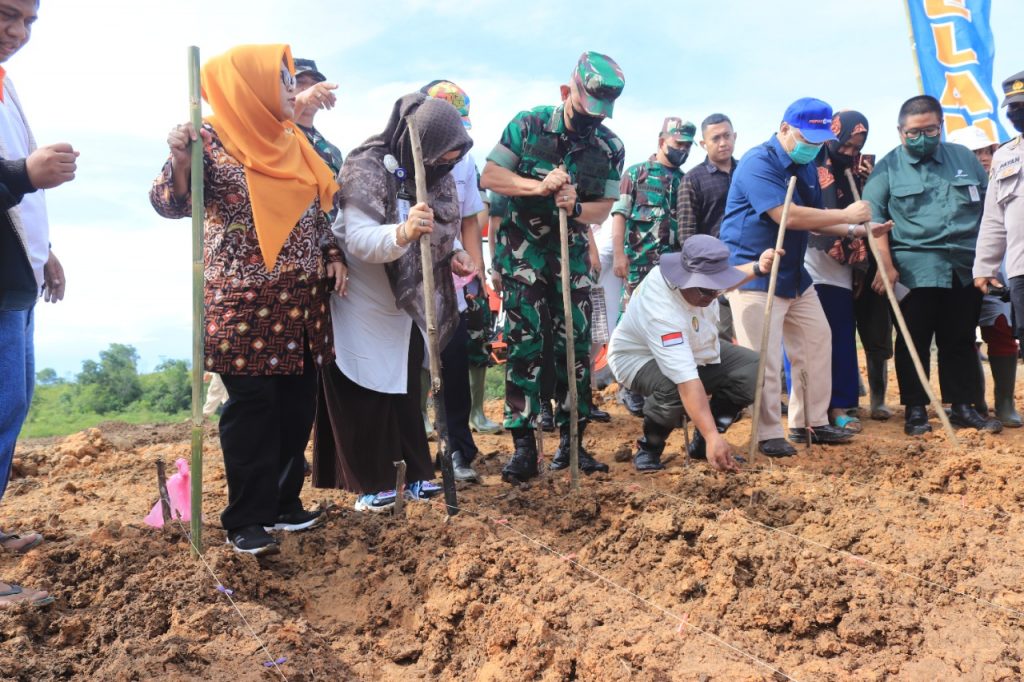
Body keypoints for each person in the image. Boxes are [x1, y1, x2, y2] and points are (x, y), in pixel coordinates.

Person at [152, 44, 341, 556]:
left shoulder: (291, 139)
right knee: (253, 409)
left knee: (296, 408)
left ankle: (284, 503)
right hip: (244, 305)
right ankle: (246, 520)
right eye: (282, 82)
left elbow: (313, 212)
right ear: (251, 85)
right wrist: (178, 158)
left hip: (302, 303)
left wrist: (332, 251)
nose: (291, 91)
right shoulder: (211, 139)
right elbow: (170, 203)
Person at [312, 93, 475, 510]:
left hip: (402, 300)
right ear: (421, 142)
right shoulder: (366, 165)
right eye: (442, 158)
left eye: (451, 161)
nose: (445, 167)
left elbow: (438, 225)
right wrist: (403, 234)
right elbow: (359, 237)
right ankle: (372, 484)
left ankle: (417, 475)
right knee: (366, 391)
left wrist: (452, 250)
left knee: (404, 395)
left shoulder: (436, 172)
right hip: (361, 300)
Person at [480, 51, 625, 484]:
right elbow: (491, 176)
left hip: (572, 256)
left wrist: (578, 205)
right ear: (568, 93)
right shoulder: (527, 125)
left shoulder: (609, 146)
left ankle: (571, 442)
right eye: (585, 111)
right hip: (523, 255)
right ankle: (524, 446)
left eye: (599, 116)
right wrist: (537, 186)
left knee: (575, 351)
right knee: (525, 345)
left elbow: (603, 207)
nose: (591, 122)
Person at [720, 97, 889, 457]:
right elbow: (788, 215)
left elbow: (818, 217)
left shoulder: (809, 164)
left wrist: (860, 230)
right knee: (761, 357)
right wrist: (846, 215)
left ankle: (809, 421)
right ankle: (767, 433)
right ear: (784, 129)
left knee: (816, 340)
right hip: (753, 274)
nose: (812, 147)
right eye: (806, 138)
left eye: (818, 141)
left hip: (795, 276)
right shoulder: (757, 162)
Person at [864, 95, 1002, 436]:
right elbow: (873, 219)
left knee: (959, 340)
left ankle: (963, 406)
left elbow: (991, 211)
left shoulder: (964, 160)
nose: (921, 137)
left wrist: (989, 261)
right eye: (913, 132)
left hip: (963, 266)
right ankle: (915, 408)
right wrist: (886, 265)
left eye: (929, 130)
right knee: (914, 341)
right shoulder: (888, 168)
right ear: (900, 132)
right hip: (914, 269)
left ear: (940, 127)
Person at [0, 0, 77, 608]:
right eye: (6, 14)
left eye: (28, 21)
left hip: (13, 272)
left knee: (12, 403)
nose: (17, 32)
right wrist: (26, 172)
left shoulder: (5, 84)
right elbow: (14, 175)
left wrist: (43, 249)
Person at [609, 236, 777, 473]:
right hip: (638, 359)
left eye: (715, 290)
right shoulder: (661, 308)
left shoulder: (702, 287)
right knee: (670, 387)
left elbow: (725, 281)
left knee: (752, 369)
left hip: (696, 350)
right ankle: (650, 448)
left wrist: (757, 268)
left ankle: (701, 445)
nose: (711, 298)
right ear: (683, 278)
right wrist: (712, 436)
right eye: (705, 292)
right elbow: (686, 380)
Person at [421, 79, 488, 481]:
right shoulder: (398, 158)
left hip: (453, 283)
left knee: (454, 363)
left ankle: (457, 449)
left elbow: (469, 219)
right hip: (407, 283)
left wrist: (475, 271)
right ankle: (412, 451)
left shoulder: (465, 161)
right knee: (413, 370)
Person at [611, 116, 693, 416]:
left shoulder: (686, 180)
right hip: (639, 264)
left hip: (673, 268)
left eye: (687, 146)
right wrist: (619, 254)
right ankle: (628, 387)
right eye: (677, 144)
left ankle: (665, 387)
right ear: (662, 141)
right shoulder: (636, 174)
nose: (682, 150)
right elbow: (620, 215)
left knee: (669, 324)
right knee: (631, 322)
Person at [805, 110, 874, 433]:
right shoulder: (808, 169)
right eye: (844, 145)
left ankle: (840, 406)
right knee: (813, 342)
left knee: (842, 340)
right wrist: (846, 219)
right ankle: (812, 410)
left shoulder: (859, 172)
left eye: (855, 147)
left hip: (842, 271)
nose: (848, 153)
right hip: (809, 268)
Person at [949, 124, 1020, 427]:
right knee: (961, 336)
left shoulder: (1007, 174)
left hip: (1004, 268)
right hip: (959, 269)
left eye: (985, 150)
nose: (981, 157)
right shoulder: (945, 185)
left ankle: (1005, 402)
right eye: (973, 152)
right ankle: (973, 400)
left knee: (1002, 328)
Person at [973, 70, 1024, 427]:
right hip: (1020, 270)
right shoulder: (1006, 156)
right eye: (1012, 108)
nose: (1016, 113)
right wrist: (984, 267)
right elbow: (994, 218)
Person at [677, 112, 739, 341]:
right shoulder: (693, 180)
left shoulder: (748, 172)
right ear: (704, 143)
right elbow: (687, 238)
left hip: (751, 265)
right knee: (720, 340)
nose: (723, 143)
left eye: (727, 136)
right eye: (715, 138)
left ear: (735, 136)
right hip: (716, 274)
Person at [292, 58, 342, 179]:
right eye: (300, 82)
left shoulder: (333, 151)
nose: (309, 89)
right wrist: (301, 101)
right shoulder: (273, 133)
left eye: (314, 84)